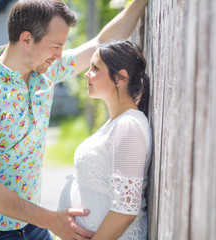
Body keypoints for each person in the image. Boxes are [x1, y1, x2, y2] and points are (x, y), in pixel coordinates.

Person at [0, 0, 148, 239]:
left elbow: (101, 44)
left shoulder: (45, 73)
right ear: (27, 40)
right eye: (56, 46)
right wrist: (50, 219)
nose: (60, 55)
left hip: (31, 226)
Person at [58, 40, 152, 239]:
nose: (86, 73)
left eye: (95, 68)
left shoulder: (129, 126)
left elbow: (125, 210)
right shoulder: (116, 122)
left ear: (120, 77)